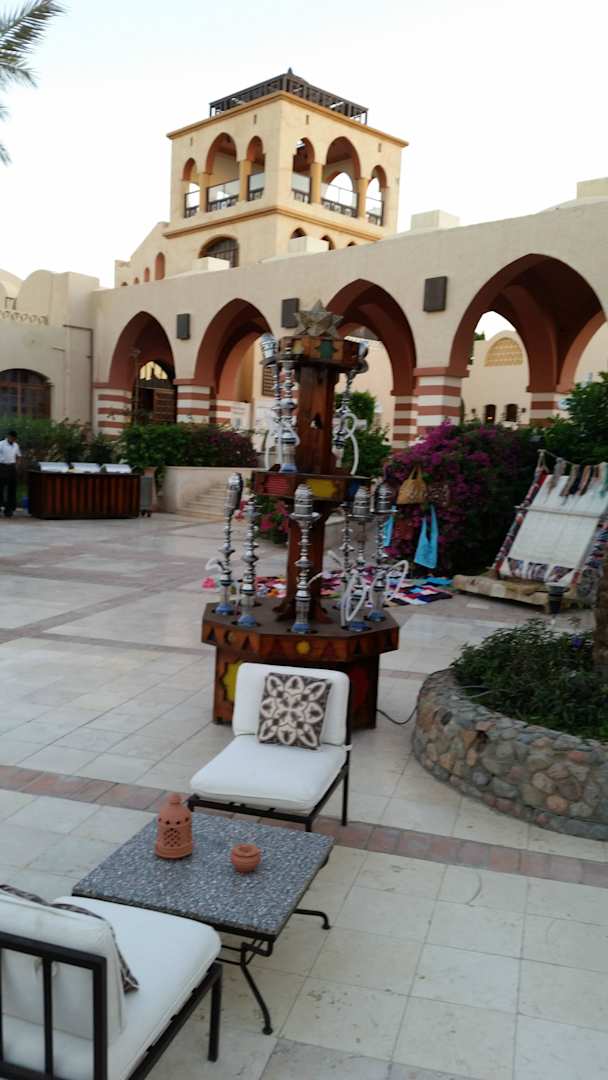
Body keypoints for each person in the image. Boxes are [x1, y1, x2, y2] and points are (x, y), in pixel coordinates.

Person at [0, 430, 21, 518]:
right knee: (0, 487)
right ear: (8, 436)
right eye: (12, 437)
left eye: (14, 438)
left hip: (11, 467)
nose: (13, 439)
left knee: (11, 489)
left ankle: (9, 509)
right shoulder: (1, 444)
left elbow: (18, 456)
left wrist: (17, 466)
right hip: (2, 467)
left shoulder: (16, 445)